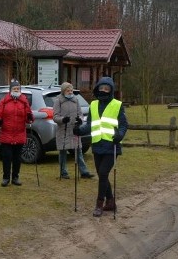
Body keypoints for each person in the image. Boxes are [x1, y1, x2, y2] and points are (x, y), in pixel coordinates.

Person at [74, 76, 128, 217]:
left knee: (103, 174)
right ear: (97, 89)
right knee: (101, 175)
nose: (103, 90)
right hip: (97, 145)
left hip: (112, 145)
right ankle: (111, 202)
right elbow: (90, 124)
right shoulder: (93, 105)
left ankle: (99, 204)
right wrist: (79, 130)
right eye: (101, 88)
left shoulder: (117, 104)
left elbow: (123, 124)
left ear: (110, 90)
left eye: (107, 88)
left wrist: (120, 135)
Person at [0, 79, 33, 187]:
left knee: (17, 158)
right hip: (6, 134)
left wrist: (30, 117)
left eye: (18, 88)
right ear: (10, 90)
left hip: (19, 134)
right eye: (14, 88)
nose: (16, 90)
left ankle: (15, 177)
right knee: (7, 157)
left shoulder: (24, 101)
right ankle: (6, 178)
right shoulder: (4, 101)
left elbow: (29, 117)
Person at [52, 82, 93, 180]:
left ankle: (84, 172)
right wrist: (62, 119)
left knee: (78, 151)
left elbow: (80, 114)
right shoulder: (58, 101)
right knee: (63, 152)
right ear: (63, 91)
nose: (70, 92)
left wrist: (80, 119)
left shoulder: (76, 100)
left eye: (71, 90)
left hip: (74, 130)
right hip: (63, 130)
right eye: (67, 90)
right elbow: (55, 116)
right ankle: (63, 172)